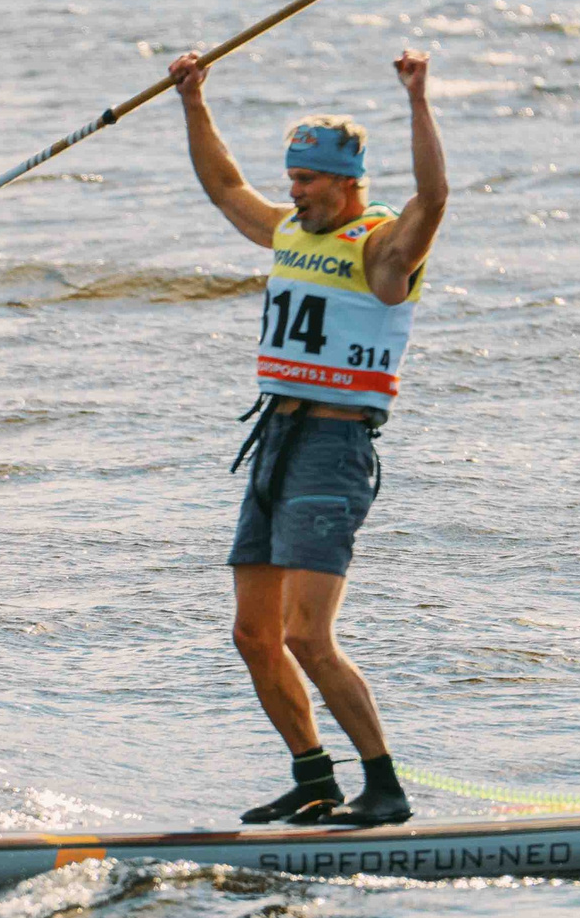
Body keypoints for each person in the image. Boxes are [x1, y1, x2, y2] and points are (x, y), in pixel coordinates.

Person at [165, 46, 447, 827]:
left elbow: (434, 196)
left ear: (347, 182)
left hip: (334, 447)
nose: (293, 193)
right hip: (275, 441)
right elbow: (226, 188)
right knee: (254, 634)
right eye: (290, 179)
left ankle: (384, 787)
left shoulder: (383, 250)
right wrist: (193, 99)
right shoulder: (291, 230)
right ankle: (315, 778)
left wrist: (418, 100)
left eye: (308, 181)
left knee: (306, 636)